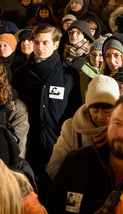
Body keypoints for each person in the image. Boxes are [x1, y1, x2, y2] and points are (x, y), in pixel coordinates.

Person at [13, 23, 81, 185]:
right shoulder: (21, 74)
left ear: (56, 45)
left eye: (45, 43)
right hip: (29, 147)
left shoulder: (69, 75)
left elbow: (74, 111)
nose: (39, 47)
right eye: (36, 42)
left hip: (58, 145)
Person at [47, 75, 119, 178]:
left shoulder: (122, 130)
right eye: (95, 111)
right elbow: (55, 166)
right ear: (88, 108)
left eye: (107, 111)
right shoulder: (71, 128)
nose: (100, 116)